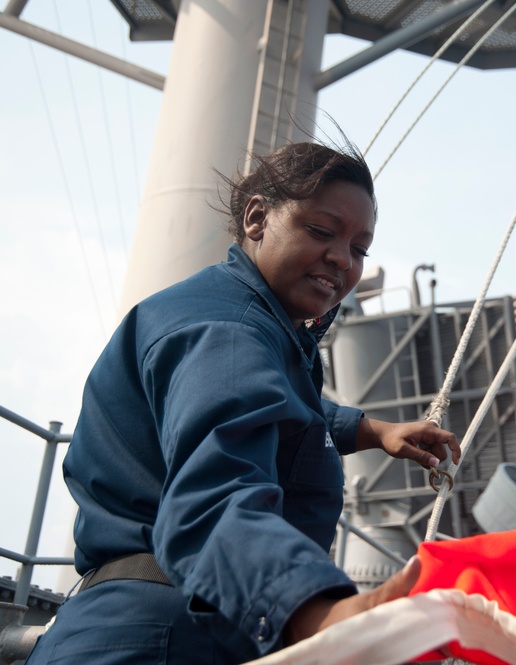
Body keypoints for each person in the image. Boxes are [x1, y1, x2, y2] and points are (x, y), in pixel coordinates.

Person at [25, 141, 460, 664]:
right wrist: (320, 612)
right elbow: (214, 495)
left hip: (137, 627)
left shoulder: (231, 320)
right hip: (164, 638)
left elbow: (258, 405)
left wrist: (369, 430)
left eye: (360, 248)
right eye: (322, 231)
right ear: (257, 218)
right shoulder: (228, 333)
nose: (343, 259)